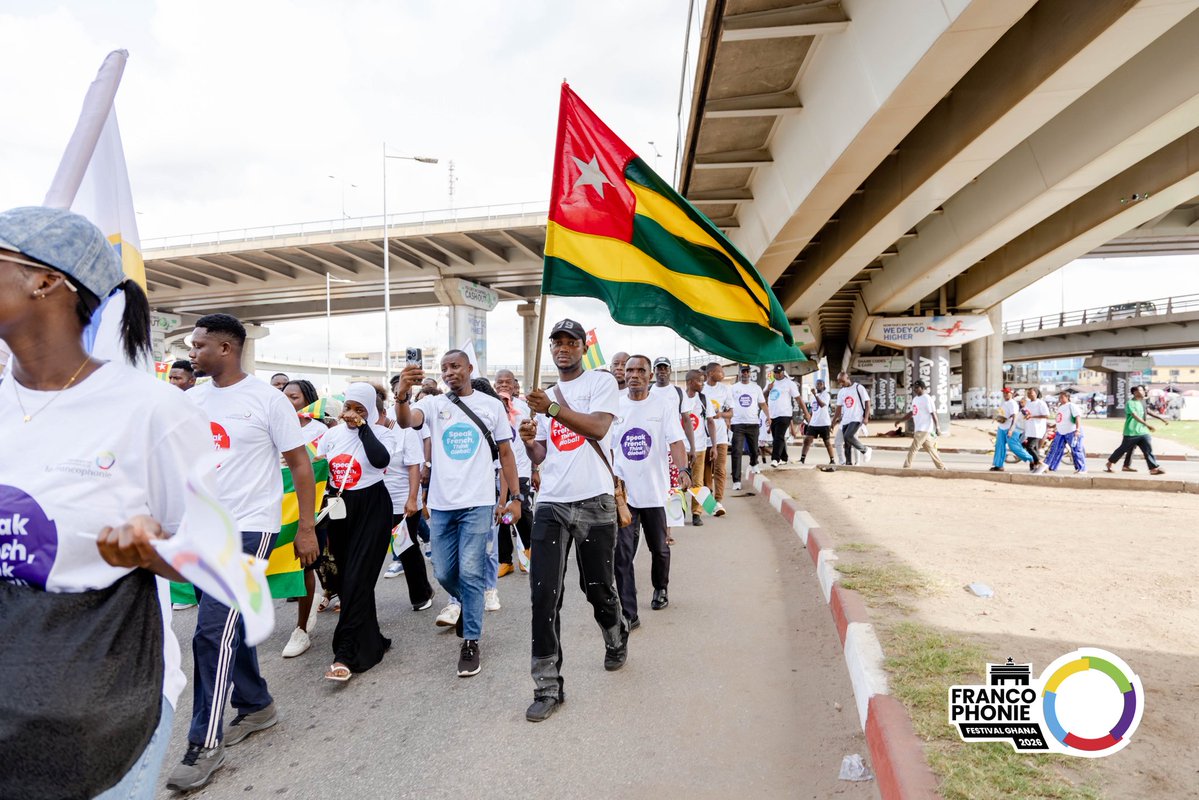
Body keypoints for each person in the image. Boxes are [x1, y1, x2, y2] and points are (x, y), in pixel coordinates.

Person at [0, 206, 210, 800]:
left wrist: (155, 551)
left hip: (101, 712)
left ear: (46, 280)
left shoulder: (153, 412)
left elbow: (222, 562)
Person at [171, 313, 317, 791]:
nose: (191, 352)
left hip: (250, 529)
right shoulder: (191, 399)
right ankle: (257, 705)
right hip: (201, 531)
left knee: (211, 633)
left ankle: (204, 744)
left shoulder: (267, 400)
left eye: (198, 345)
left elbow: (299, 464)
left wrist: (307, 528)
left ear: (226, 349)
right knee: (226, 626)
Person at [518, 319, 625, 723]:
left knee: (597, 587)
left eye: (570, 342)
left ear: (582, 347)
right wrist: (530, 440)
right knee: (544, 594)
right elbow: (542, 456)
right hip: (552, 502)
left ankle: (615, 634)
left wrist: (552, 409)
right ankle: (547, 686)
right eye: (556, 343)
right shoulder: (541, 397)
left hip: (596, 501)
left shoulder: (601, 384)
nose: (562, 349)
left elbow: (597, 428)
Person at [395, 351, 521, 678]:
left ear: (469, 369)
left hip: (478, 503)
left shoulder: (491, 406)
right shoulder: (435, 406)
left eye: (455, 367)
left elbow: (506, 454)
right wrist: (401, 396)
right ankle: (471, 602)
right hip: (441, 505)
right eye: (445, 368)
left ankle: (471, 641)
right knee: (445, 572)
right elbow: (407, 420)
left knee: (470, 570)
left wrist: (515, 497)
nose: (449, 372)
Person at [313, 384, 396, 682]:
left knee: (358, 577)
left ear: (371, 410)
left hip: (372, 508)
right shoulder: (332, 434)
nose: (352, 414)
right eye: (349, 407)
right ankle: (373, 640)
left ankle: (344, 653)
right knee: (349, 579)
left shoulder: (381, 432)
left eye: (360, 409)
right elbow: (320, 467)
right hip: (339, 510)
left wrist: (363, 428)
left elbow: (380, 460)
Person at [612, 356, 691, 630]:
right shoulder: (614, 405)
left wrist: (684, 469)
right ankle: (629, 611)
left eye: (640, 371)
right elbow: (607, 447)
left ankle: (661, 587)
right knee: (622, 554)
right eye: (629, 370)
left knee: (658, 548)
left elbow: (677, 441)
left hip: (656, 493)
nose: (633, 375)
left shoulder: (663, 405)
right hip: (623, 495)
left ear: (649, 376)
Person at [279, 378, 335, 658]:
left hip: (311, 505)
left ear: (308, 401)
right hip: (275, 503)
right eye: (284, 396)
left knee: (306, 562)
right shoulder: (273, 425)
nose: (288, 402)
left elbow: (322, 465)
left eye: (294, 397)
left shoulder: (319, 430)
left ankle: (301, 628)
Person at [377, 386, 435, 611]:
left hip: (402, 501)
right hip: (375, 501)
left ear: (381, 411)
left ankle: (422, 593)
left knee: (406, 547)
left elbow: (414, 467)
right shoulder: (363, 432)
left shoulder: (403, 431)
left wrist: (413, 498)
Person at [495, 369, 533, 575]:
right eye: (499, 382)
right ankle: (505, 560)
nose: (503, 385)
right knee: (500, 512)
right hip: (497, 470)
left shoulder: (524, 409)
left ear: (514, 385)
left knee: (523, 512)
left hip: (521, 468)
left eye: (507, 382)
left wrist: (535, 469)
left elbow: (530, 440)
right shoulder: (491, 407)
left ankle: (527, 550)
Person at [1104, 385, 1169, 475]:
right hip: (1131, 432)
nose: (1143, 392)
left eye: (1143, 390)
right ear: (1135, 392)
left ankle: (1153, 468)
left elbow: (1148, 412)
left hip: (1143, 432)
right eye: (1141, 390)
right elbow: (1135, 416)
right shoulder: (1130, 403)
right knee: (1122, 449)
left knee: (1148, 450)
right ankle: (1110, 463)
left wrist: (1161, 419)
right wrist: (1148, 425)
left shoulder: (1143, 402)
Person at [683, 369, 716, 526]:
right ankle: (679, 512)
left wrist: (714, 446)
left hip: (701, 447)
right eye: (700, 381)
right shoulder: (678, 399)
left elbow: (710, 422)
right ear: (690, 382)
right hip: (681, 448)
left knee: (698, 482)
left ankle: (696, 513)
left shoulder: (703, 399)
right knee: (680, 481)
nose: (702, 384)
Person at [729, 365, 767, 491]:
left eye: (747, 372)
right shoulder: (733, 388)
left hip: (753, 423)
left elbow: (762, 403)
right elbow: (728, 405)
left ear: (750, 374)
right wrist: (727, 420)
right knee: (736, 451)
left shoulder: (756, 388)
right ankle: (736, 480)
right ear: (739, 374)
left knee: (754, 448)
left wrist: (769, 416)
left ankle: (754, 463)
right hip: (738, 423)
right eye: (743, 372)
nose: (745, 374)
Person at [702, 362, 733, 515]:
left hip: (721, 436)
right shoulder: (701, 389)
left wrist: (721, 415)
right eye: (719, 372)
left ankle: (719, 501)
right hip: (702, 437)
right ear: (710, 373)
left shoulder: (725, 390)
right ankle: (709, 504)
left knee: (720, 469)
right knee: (705, 471)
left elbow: (731, 413)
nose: (722, 374)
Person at [895, 380, 946, 470]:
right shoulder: (915, 399)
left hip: (924, 428)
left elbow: (933, 413)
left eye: (917, 387)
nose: (914, 389)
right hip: (919, 428)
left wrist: (937, 427)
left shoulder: (927, 398)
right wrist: (900, 420)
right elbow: (912, 413)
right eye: (914, 387)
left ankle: (906, 466)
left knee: (914, 448)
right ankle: (941, 467)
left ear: (922, 388)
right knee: (931, 449)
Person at [832, 372, 872, 466]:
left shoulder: (858, 387)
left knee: (847, 436)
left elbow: (867, 402)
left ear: (848, 378)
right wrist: (833, 421)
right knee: (847, 444)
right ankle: (848, 463)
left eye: (843, 381)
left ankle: (865, 450)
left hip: (857, 418)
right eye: (839, 382)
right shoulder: (841, 392)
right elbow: (838, 408)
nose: (841, 383)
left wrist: (866, 417)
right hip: (846, 419)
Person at [990, 387, 1033, 471]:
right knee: (999, 446)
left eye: (1007, 393)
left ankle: (1033, 459)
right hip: (1001, 427)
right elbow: (1002, 413)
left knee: (1014, 447)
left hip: (1010, 428)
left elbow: (1015, 417)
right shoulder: (1003, 402)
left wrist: (1011, 430)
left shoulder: (1013, 403)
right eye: (1004, 393)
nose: (1005, 394)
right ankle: (998, 465)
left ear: (1012, 394)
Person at [766, 365, 799, 466]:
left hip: (785, 414)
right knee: (777, 436)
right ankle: (784, 458)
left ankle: (775, 459)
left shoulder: (789, 383)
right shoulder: (770, 383)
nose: (778, 374)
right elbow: (763, 397)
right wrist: (768, 389)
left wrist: (806, 413)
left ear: (783, 372)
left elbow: (798, 398)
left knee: (779, 437)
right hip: (773, 415)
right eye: (776, 372)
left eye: (780, 372)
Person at [1046, 390, 1086, 473]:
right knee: (1055, 449)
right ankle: (1051, 467)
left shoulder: (1071, 406)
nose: (1060, 398)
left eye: (1062, 397)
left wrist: (1077, 430)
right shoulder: (1060, 407)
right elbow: (1061, 420)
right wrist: (1053, 426)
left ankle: (1081, 469)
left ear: (1067, 397)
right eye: (1059, 397)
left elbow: (1078, 417)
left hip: (1072, 431)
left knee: (1076, 450)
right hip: (1061, 432)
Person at [799, 379, 835, 465]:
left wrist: (815, 395)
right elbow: (813, 409)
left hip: (824, 423)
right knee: (807, 440)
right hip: (814, 423)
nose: (819, 385)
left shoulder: (826, 395)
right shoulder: (812, 397)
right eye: (817, 384)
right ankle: (802, 459)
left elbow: (822, 405)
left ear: (824, 386)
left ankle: (832, 460)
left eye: (821, 384)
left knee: (827, 442)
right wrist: (807, 418)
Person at [1023, 388, 1050, 474]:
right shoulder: (1028, 403)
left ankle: (1040, 463)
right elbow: (1027, 413)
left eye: (1031, 393)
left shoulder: (1041, 403)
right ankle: (1036, 467)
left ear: (1036, 393)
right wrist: (1026, 415)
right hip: (1030, 428)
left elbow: (1046, 415)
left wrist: (1032, 417)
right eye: (1028, 393)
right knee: (1034, 448)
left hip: (1037, 429)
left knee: (1029, 447)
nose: (1029, 394)